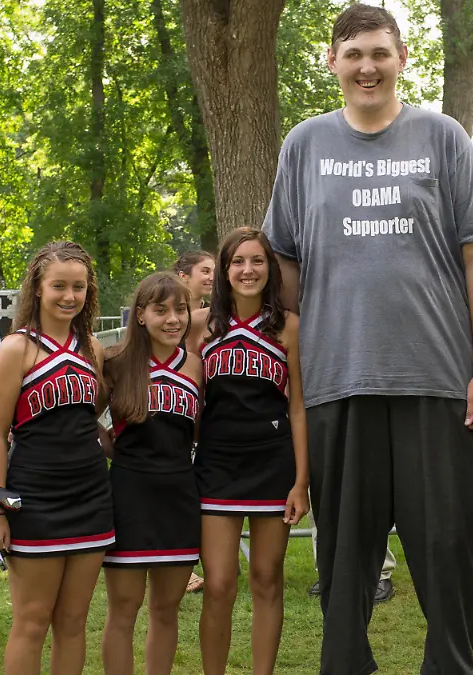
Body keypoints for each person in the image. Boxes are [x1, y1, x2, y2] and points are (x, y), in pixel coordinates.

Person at [262, 4, 473, 673]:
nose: (367, 66)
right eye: (353, 53)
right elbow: (283, 261)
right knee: (343, 557)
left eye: (379, 52)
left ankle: (450, 666)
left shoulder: (443, 137)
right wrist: (297, 355)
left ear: (402, 58)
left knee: (449, 547)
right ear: (332, 62)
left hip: (439, 379)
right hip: (339, 380)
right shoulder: (304, 145)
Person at [0, 241, 115, 675]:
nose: (69, 296)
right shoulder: (15, 349)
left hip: (92, 496)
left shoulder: (91, 347)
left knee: (74, 622)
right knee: (32, 621)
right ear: (37, 289)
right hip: (34, 498)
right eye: (59, 285)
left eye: (78, 286)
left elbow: (86, 418)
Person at [194, 228, 310, 674]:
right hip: (217, 465)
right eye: (238, 261)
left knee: (266, 579)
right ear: (225, 270)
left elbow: (298, 407)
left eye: (257, 261)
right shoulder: (201, 324)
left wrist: (301, 481)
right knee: (220, 583)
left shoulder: (289, 326)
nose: (248, 270)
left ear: (270, 268)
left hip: (273, 463)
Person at [100, 272, 204, 675]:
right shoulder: (115, 361)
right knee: (123, 610)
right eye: (161, 310)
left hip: (179, 495)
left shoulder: (195, 367)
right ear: (140, 315)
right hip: (129, 495)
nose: (173, 319)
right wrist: (111, 447)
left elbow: (195, 431)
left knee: (166, 609)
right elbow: (81, 418)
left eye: (180, 309)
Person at [175, 249, 215, 594]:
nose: (211, 276)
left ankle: (192, 561)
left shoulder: (208, 316)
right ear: (183, 275)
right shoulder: (170, 312)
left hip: (200, 413)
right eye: (204, 270)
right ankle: (182, 565)